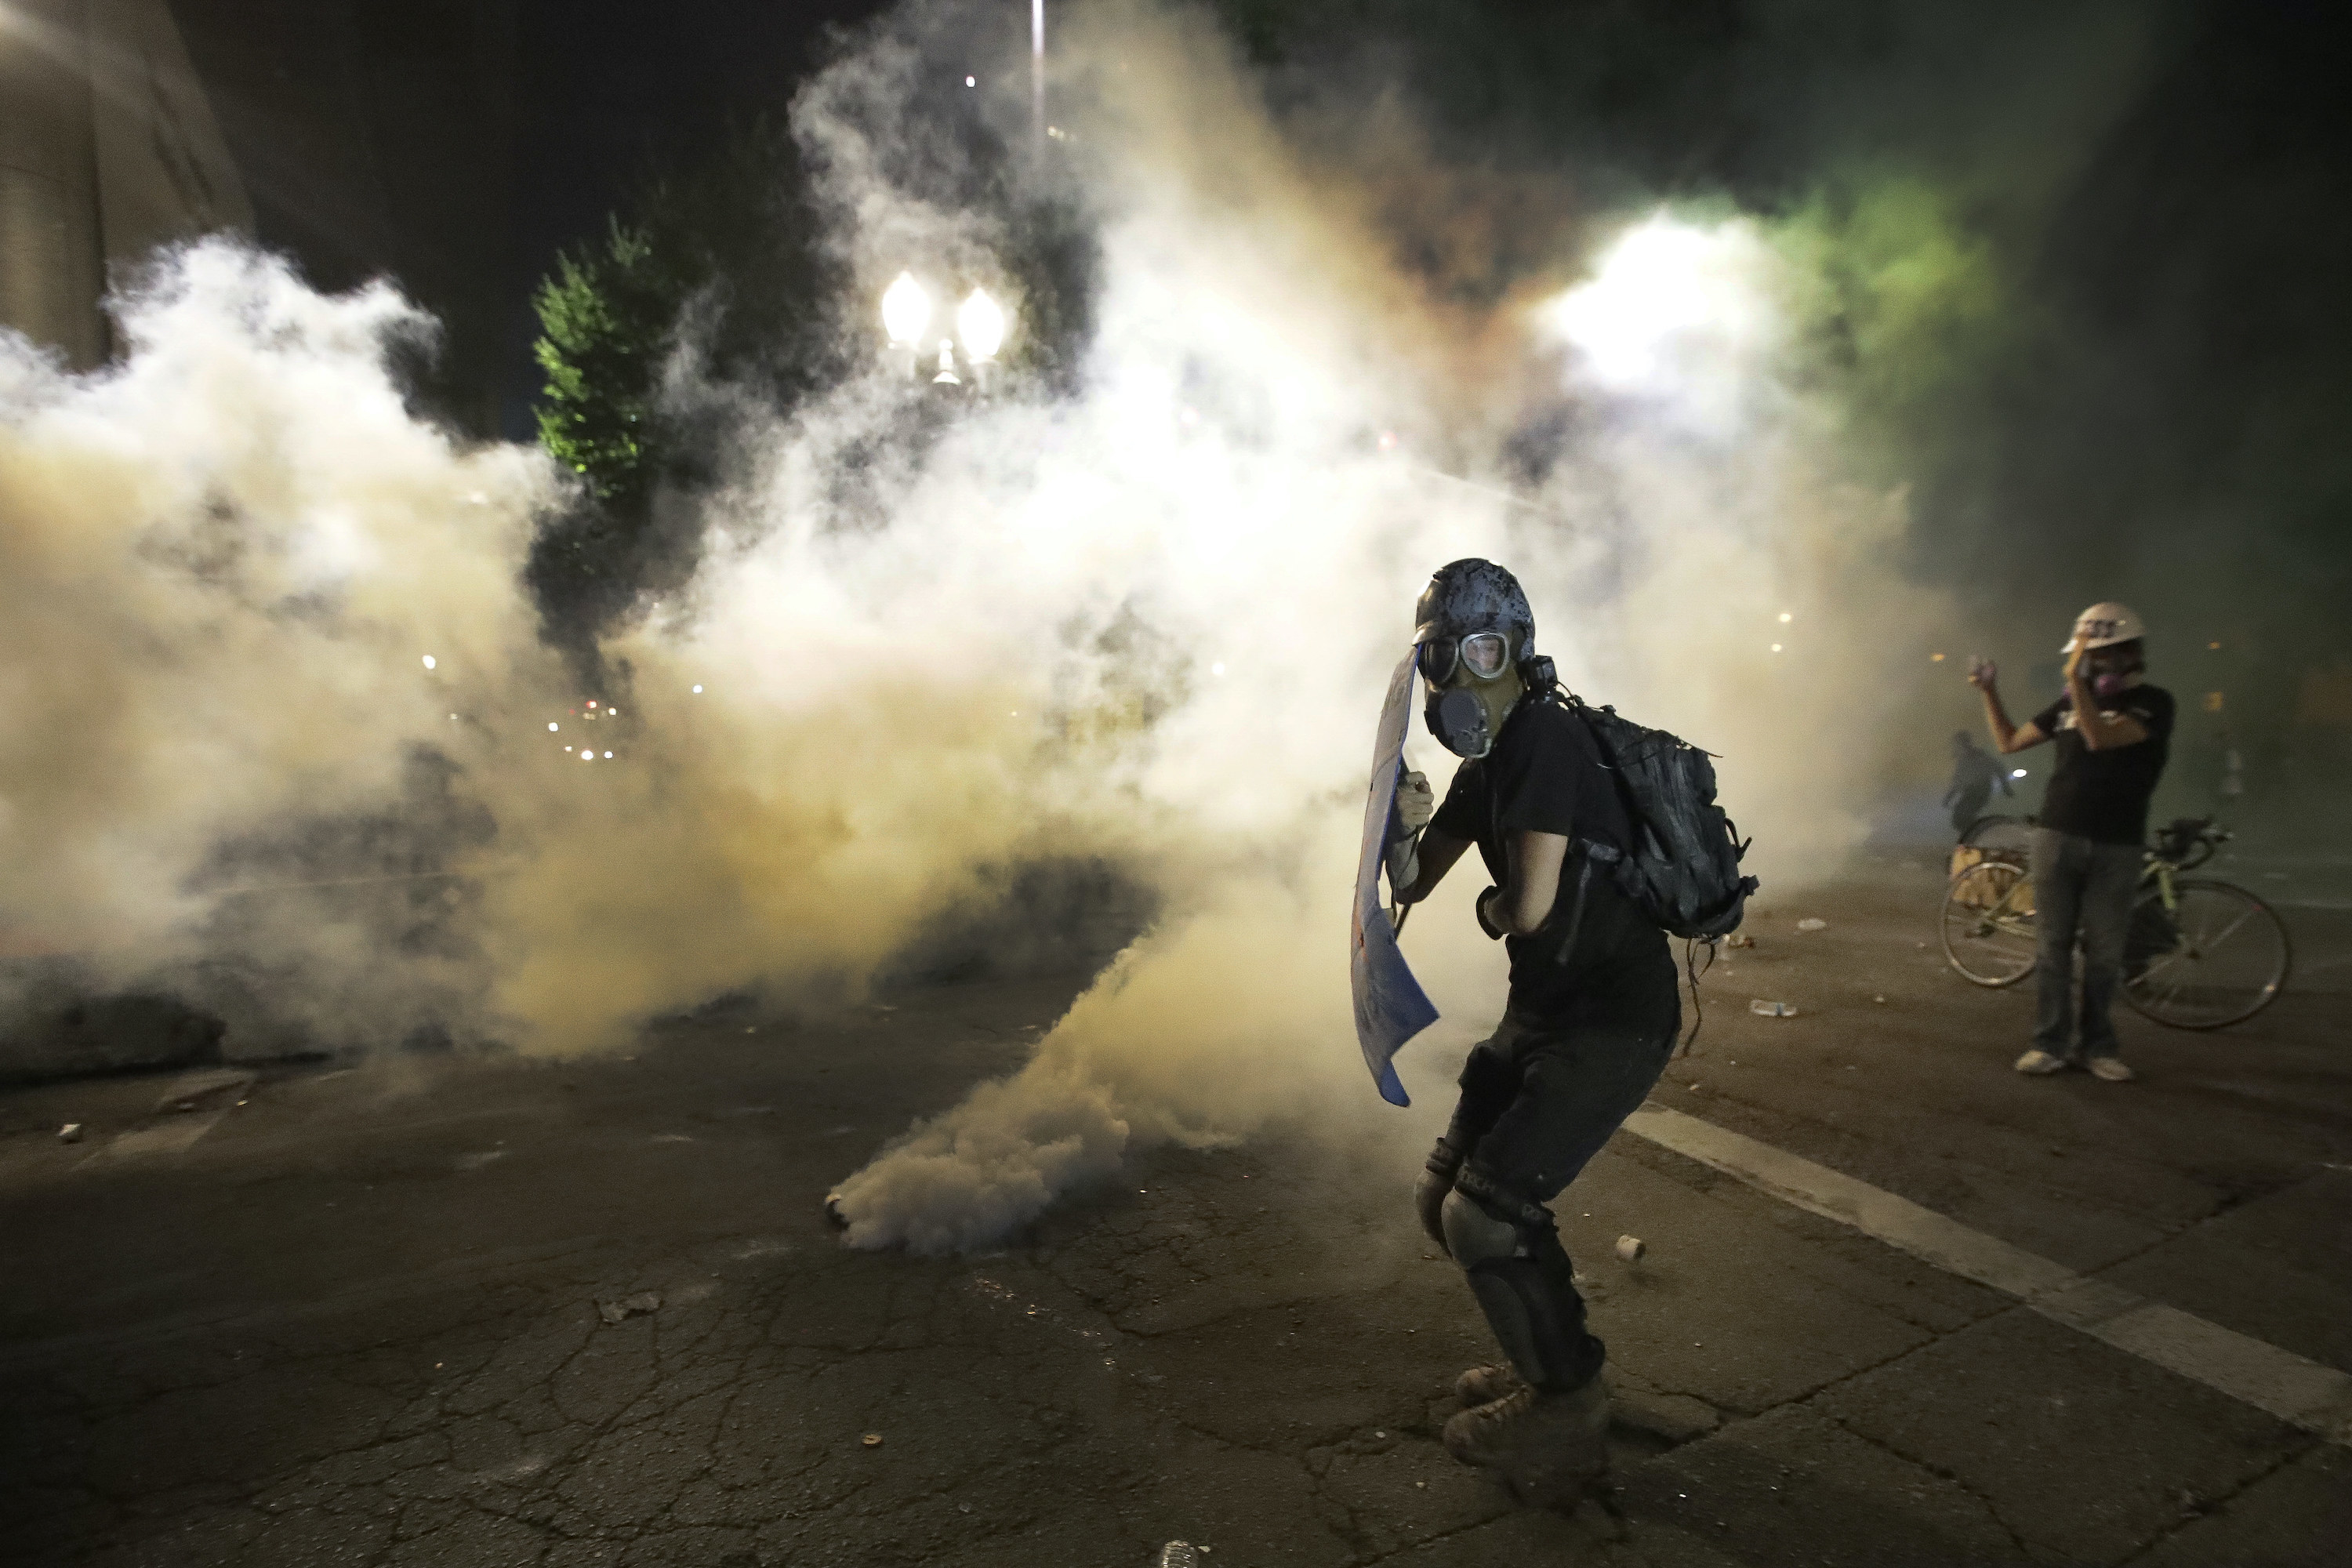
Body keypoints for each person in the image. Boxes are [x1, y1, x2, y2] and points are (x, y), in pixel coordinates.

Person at [1381, 559, 1680, 1506]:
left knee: (1489, 1211)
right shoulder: (1489, 762)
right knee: (1445, 1200)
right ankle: (1546, 1359)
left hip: (1611, 1016)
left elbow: (1529, 909)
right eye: (1444, 654)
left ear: (1516, 650)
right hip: (1546, 1011)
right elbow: (1411, 879)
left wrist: (1488, 903)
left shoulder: (1545, 739)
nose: (1462, 674)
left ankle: (1567, 1400)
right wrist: (1401, 822)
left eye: (1481, 649)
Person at [1969, 602, 2175, 1083]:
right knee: (2053, 948)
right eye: (2087, 658)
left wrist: (2076, 682)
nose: (2090, 666)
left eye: (2098, 656)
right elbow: (2008, 742)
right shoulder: (2068, 704)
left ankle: (2098, 1047)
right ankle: (2050, 1044)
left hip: (2117, 845)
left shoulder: (2155, 703)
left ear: (2127, 655)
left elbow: (2101, 738)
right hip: (2056, 837)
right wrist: (1989, 692)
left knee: (2104, 954)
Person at [1942, 729, 2012, 839]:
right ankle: (1976, 838)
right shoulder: (1963, 760)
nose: (1954, 747)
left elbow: (1998, 768)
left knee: (1960, 817)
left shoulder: (1979, 756)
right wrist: (1949, 797)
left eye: (1956, 744)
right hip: (1972, 792)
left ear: (1963, 743)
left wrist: (2006, 787)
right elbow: (1958, 781)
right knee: (1961, 818)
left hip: (1980, 791)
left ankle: (1982, 836)